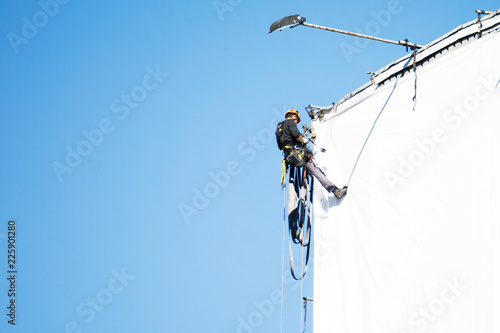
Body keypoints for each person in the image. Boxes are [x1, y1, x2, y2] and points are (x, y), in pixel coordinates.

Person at [277, 109, 347, 199]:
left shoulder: (279, 127)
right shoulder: (290, 122)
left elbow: (280, 146)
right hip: (297, 153)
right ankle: (335, 190)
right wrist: (303, 140)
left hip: (289, 156)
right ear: (294, 116)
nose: (296, 122)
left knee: (312, 171)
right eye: (296, 120)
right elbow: (295, 134)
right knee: (315, 170)